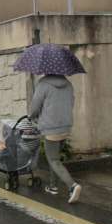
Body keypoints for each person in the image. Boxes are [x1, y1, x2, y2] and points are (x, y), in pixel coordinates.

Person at [30, 74, 81, 204]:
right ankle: (53, 186)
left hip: (51, 128)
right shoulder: (68, 84)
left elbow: (35, 107)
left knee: (53, 160)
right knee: (55, 158)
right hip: (65, 126)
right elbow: (71, 103)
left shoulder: (43, 84)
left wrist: (32, 116)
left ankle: (72, 186)